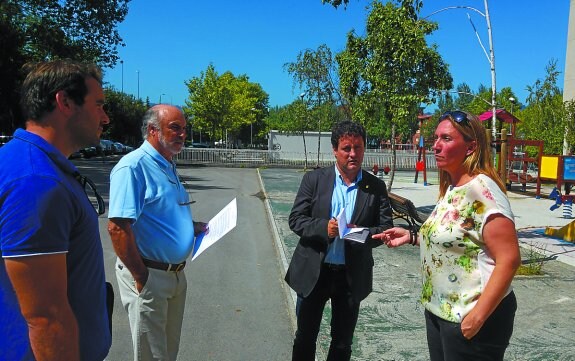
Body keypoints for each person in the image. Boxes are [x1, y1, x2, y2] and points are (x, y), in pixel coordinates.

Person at [374, 110, 521, 361]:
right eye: (436, 139)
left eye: (446, 139)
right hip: (439, 311)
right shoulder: (453, 188)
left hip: (471, 316)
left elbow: (509, 259)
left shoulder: (482, 191)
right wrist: (412, 236)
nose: (436, 146)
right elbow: (457, 239)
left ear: (470, 147)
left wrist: (477, 317)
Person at [0, 59, 112, 360]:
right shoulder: (36, 182)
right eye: (98, 105)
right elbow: (45, 317)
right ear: (64, 102)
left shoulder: (30, 165)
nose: (106, 118)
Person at [285, 120, 394, 361]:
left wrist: (359, 233)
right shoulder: (314, 180)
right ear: (335, 150)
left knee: (343, 343)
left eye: (358, 147)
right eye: (347, 148)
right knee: (305, 339)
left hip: (350, 275)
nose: (353, 154)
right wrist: (325, 228)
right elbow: (296, 219)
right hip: (315, 271)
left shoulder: (375, 186)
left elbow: (386, 227)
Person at [107, 104, 207, 361]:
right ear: (152, 130)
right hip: (150, 274)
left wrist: (190, 228)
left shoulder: (167, 164)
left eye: (184, 129)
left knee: (167, 352)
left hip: (175, 276)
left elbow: (161, 213)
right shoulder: (133, 167)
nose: (183, 134)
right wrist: (142, 277)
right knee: (151, 355)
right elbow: (118, 227)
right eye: (175, 128)